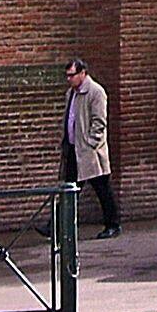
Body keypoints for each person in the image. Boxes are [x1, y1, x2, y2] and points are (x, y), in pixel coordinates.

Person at [62, 56, 121, 237]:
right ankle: (56, 225)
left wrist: (91, 143)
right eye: (67, 75)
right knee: (69, 189)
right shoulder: (71, 93)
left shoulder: (95, 92)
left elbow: (99, 122)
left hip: (90, 153)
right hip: (74, 149)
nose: (69, 79)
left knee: (102, 190)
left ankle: (113, 225)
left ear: (82, 73)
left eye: (72, 75)